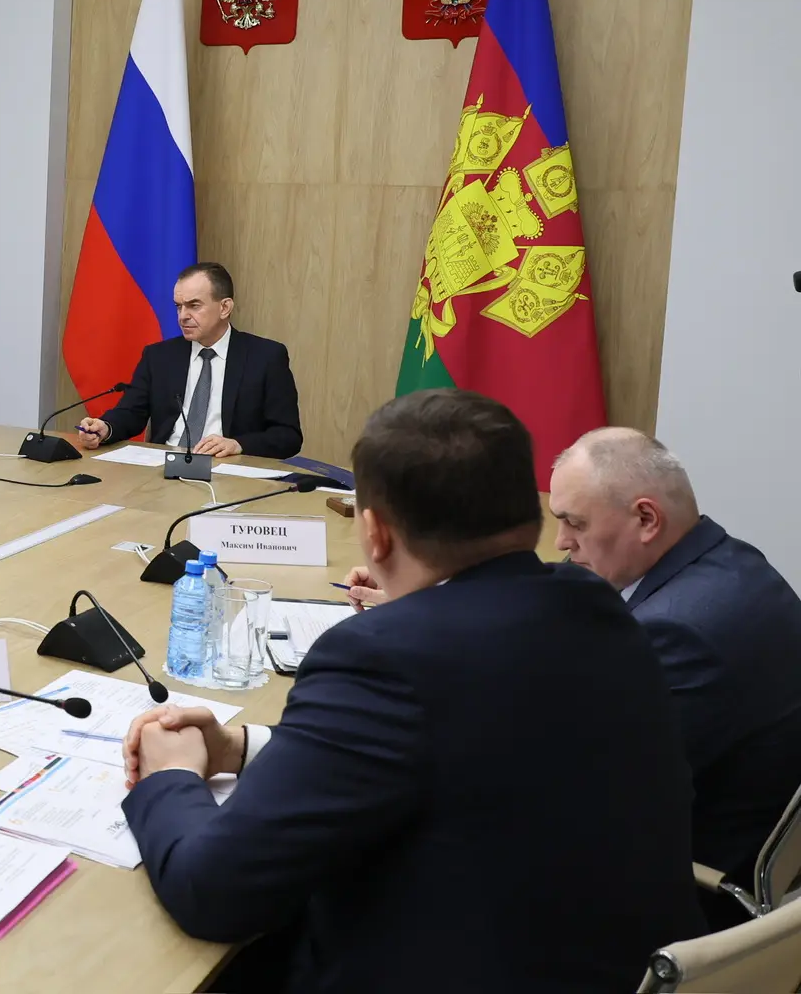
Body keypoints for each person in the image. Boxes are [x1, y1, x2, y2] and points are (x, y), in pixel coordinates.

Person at [118, 389, 702, 993]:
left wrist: (171, 774)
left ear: (375, 533)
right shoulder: (597, 607)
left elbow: (214, 893)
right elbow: (447, 749)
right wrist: (242, 747)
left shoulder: (381, 656)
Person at [551, 427, 801, 908]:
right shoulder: (735, 562)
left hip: (683, 897)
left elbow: (584, 795)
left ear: (646, 519)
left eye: (575, 524)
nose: (563, 541)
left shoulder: (674, 634)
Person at [77, 262, 301, 459]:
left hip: (227, 468)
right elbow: (131, 413)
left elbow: (288, 436)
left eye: (194, 305)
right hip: (164, 465)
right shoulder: (159, 356)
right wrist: (105, 428)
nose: (183, 316)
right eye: (178, 306)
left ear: (224, 308)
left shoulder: (265, 357)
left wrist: (238, 444)